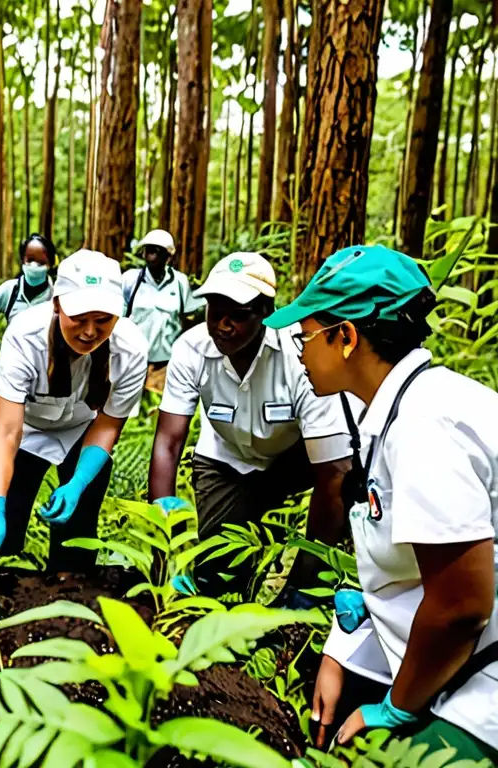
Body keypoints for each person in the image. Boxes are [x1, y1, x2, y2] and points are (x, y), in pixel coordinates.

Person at [265, 244, 498, 761]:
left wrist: (395, 708)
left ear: (345, 337)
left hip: (482, 684)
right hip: (438, 662)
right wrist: (342, 649)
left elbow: (462, 607)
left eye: (305, 336)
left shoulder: (426, 425)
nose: (299, 353)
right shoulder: (392, 413)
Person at [148, 252, 351, 599]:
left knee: (340, 500)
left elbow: (333, 470)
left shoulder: (300, 354)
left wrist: (304, 584)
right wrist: (162, 543)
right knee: (217, 577)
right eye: (216, 312)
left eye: (238, 316)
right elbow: (168, 443)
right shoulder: (191, 350)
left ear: (266, 313)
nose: (223, 325)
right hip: (226, 459)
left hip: (295, 460)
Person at [0, 249, 147, 574]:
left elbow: (108, 424)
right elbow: (8, 430)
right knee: (5, 529)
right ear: (56, 305)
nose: (90, 332)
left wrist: (79, 481)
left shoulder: (132, 348)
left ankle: (69, 596)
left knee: (77, 533)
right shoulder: (25, 337)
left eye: (103, 319)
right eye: (79, 319)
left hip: (82, 429)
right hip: (21, 430)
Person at [122, 229, 205, 392]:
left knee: (155, 411)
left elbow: (188, 316)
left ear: (168, 256)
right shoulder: (130, 280)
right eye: (148, 249)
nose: (151, 254)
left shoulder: (180, 282)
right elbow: (118, 318)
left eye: (157, 250)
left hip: (164, 366)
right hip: (131, 363)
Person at [0, 233, 57, 347]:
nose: (34, 265)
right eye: (30, 260)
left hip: (46, 361)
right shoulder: (9, 290)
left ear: (50, 264)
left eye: (41, 262)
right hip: (12, 362)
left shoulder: (56, 295)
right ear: (22, 260)